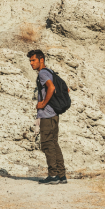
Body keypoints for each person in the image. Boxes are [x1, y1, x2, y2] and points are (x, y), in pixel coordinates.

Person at [27, 50, 67, 185]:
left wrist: (43, 103)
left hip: (47, 116)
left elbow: (51, 87)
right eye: (30, 61)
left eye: (33, 60)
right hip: (54, 115)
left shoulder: (43, 73)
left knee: (47, 144)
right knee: (54, 144)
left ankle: (53, 175)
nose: (31, 63)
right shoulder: (50, 72)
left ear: (41, 60)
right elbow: (66, 89)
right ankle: (61, 175)